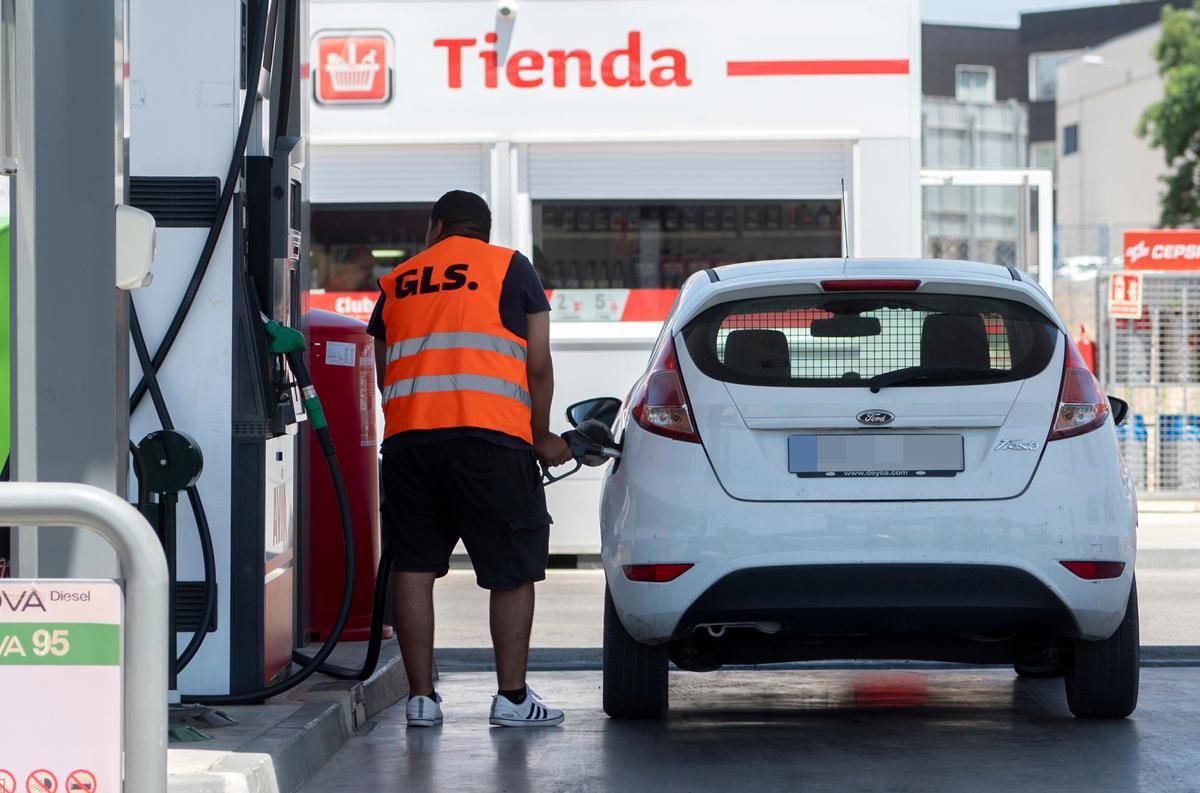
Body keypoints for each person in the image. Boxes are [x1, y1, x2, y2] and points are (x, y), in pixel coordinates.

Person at [366, 190, 573, 728]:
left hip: (411, 443)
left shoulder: (398, 280)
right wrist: (542, 435)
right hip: (491, 441)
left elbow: (384, 367)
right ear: (483, 228)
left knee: (413, 566)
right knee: (510, 569)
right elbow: (539, 364)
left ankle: (421, 701)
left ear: (435, 227)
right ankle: (511, 699)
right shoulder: (509, 267)